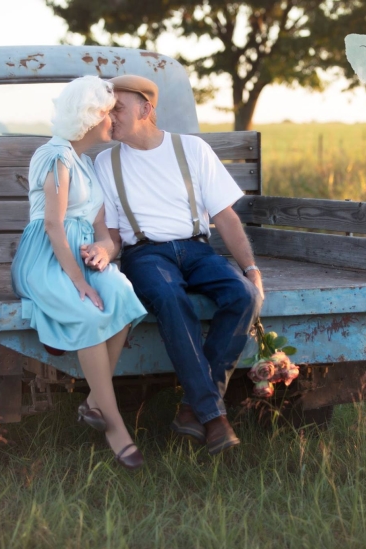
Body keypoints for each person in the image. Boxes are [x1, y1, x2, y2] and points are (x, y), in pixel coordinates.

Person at [93, 74, 264, 456]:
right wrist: (104, 250)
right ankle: (214, 418)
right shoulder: (106, 163)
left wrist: (251, 270)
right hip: (146, 254)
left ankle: (193, 407)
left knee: (243, 295)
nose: (110, 117)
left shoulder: (192, 150)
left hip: (197, 249)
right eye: (107, 110)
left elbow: (226, 217)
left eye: (117, 108)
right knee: (170, 297)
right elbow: (114, 235)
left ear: (146, 109)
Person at [11, 76, 147, 470]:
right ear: (89, 118)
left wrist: (104, 252)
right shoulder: (55, 157)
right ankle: (114, 426)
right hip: (47, 258)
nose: (113, 121)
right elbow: (54, 225)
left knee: (122, 297)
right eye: (108, 114)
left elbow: (103, 227)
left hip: (82, 254)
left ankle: (93, 402)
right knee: (88, 310)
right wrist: (78, 280)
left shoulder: (87, 163)